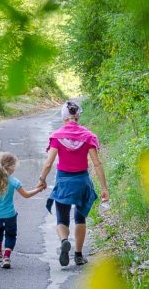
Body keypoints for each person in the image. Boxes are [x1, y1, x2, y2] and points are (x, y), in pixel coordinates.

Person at [37, 101, 110, 267]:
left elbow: (49, 163)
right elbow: (97, 164)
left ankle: (64, 240)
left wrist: (42, 179)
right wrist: (104, 187)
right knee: (80, 217)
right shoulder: (88, 136)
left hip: (63, 181)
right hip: (82, 181)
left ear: (64, 118)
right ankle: (78, 255)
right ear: (78, 117)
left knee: (62, 219)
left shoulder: (57, 136)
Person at [0, 152, 43, 268]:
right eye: (14, 165)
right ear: (11, 167)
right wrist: (38, 190)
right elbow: (26, 195)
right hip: (10, 214)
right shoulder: (14, 181)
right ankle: (6, 257)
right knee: (10, 235)